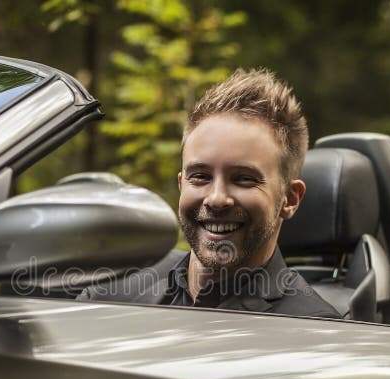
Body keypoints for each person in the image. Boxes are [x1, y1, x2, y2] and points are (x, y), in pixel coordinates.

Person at [79, 68, 340, 319]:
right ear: (182, 184)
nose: (216, 198)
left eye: (244, 179)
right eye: (200, 176)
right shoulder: (111, 293)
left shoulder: (315, 334)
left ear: (290, 198)